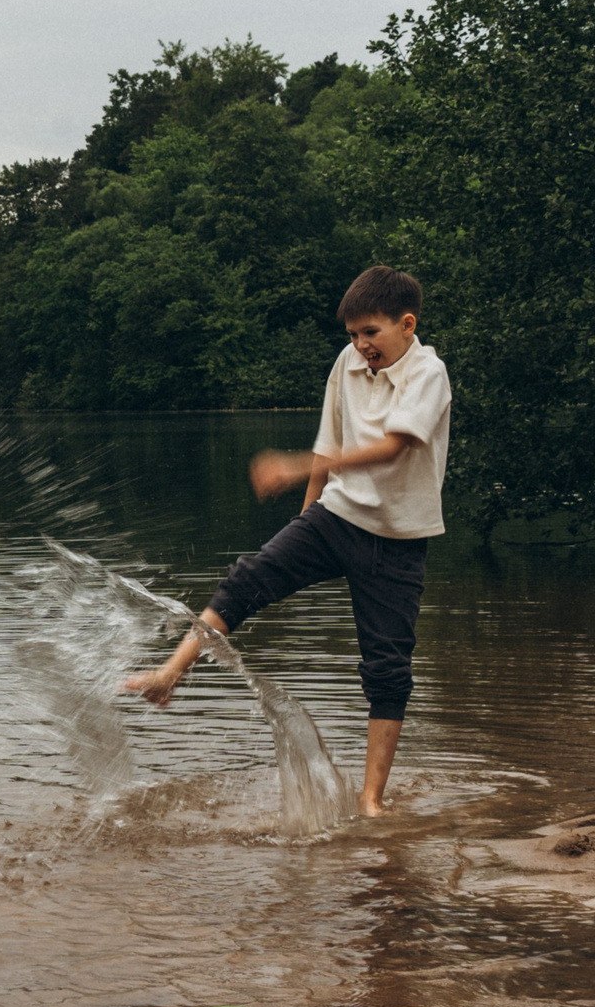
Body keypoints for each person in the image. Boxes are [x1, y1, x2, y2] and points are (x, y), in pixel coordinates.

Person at [126, 265, 450, 817]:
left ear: (406, 324)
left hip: (398, 539)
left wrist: (294, 468)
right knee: (249, 576)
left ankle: (371, 801)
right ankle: (169, 673)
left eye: (370, 333)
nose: (360, 345)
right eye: (352, 335)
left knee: (387, 666)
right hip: (337, 517)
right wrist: (307, 517)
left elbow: (394, 447)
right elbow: (330, 444)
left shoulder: (428, 373)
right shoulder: (347, 365)